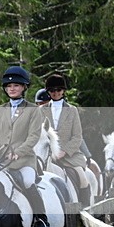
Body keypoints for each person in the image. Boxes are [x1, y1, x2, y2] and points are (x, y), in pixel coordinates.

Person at [0, 66, 50, 227]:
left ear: (23, 87)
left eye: (16, 85)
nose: (12, 88)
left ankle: (41, 220)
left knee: (28, 182)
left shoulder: (33, 110)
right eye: (9, 86)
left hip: (24, 161)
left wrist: (19, 152)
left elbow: (33, 136)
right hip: (2, 162)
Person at [40, 74, 91, 206]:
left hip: (69, 156)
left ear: (63, 91)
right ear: (48, 92)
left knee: (83, 179)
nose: (56, 93)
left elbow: (77, 136)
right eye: (52, 90)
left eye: (58, 90)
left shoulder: (72, 110)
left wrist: (64, 151)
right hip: (47, 155)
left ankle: (85, 210)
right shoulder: (41, 110)